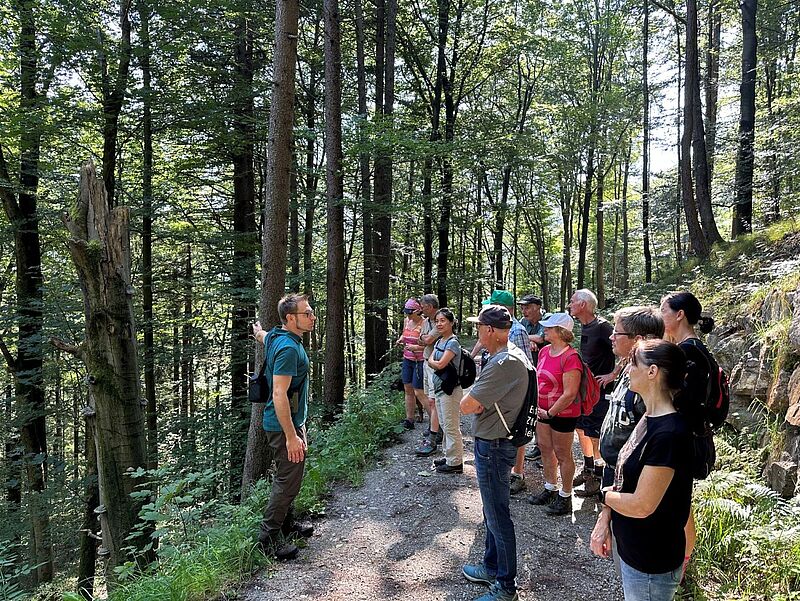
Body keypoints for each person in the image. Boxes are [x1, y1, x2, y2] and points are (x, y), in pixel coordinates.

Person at [592, 339, 693, 601]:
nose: (627, 370)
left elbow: (641, 505)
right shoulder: (648, 417)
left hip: (651, 562)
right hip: (634, 552)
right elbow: (624, 479)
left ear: (653, 372)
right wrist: (606, 519)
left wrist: (603, 497)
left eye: (633, 363)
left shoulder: (669, 434)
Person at [460, 305, 529, 601]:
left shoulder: (505, 362)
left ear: (489, 330)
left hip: (495, 445)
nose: (477, 333)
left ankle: (505, 586)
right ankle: (491, 567)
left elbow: (467, 404)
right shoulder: (508, 356)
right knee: (491, 511)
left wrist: (475, 395)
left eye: (479, 328)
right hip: (495, 442)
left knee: (498, 515)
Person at [591, 306, 664, 566]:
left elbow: (644, 453)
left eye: (617, 332)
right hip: (615, 475)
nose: (611, 337)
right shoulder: (627, 370)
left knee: (631, 558)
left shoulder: (650, 386)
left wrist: (608, 510)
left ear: (639, 340)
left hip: (631, 484)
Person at [253, 293, 316, 560]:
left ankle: (287, 524)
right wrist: (292, 436)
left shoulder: (278, 337)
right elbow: (279, 394)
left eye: (312, 312)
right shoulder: (289, 349)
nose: (312, 317)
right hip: (283, 426)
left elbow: (265, 336)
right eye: (307, 314)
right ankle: (267, 540)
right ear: (291, 318)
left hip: (286, 423)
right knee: (287, 481)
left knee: (290, 477)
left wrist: (258, 332)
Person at [659, 290, 717, 568]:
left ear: (679, 314)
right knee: (679, 503)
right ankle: (681, 562)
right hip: (688, 436)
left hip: (684, 440)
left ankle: (682, 565)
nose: (661, 315)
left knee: (681, 506)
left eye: (664, 309)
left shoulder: (688, 352)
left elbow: (687, 402)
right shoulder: (690, 348)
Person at [470, 290, 533, 495]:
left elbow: (525, 369)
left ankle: (518, 472)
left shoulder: (517, 332)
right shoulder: (497, 340)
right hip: (494, 394)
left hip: (505, 408)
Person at [527, 312, 581, 516]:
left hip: (563, 413)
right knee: (545, 448)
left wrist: (550, 412)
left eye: (549, 327)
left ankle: (566, 496)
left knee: (563, 454)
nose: (544, 329)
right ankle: (550, 487)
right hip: (543, 411)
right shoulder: (544, 351)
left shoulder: (571, 357)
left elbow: (570, 393)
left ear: (561, 331)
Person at [568, 288, 616, 497]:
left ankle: (598, 476)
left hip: (601, 391)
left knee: (595, 434)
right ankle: (588, 469)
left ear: (583, 305)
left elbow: (629, 349)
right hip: (585, 389)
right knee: (581, 430)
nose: (570, 305)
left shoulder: (604, 327)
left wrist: (612, 374)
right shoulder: (584, 327)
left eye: (572, 302)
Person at [426, 308, 465, 473]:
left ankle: (455, 463)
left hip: (451, 390)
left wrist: (433, 362)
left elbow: (439, 363)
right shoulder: (439, 341)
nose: (439, 324)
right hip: (440, 388)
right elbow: (431, 359)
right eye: (437, 321)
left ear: (451, 322)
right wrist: (434, 362)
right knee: (444, 423)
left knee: (451, 425)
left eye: (443, 320)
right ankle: (449, 456)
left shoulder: (453, 343)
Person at [517, 294, 545, 462]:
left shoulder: (547, 319)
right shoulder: (523, 322)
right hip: (530, 368)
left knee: (543, 408)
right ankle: (538, 446)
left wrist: (528, 338)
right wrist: (530, 341)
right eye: (522, 307)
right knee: (532, 406)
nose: (524, 310)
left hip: (547, 370)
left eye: (527, 307)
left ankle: (543, 448)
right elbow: (516, 338)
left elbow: (542, 338)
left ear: (537, 307)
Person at [416, 294, 443, 456]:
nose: (421, 309)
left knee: (435, 400)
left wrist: (425, 339)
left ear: (431, 306)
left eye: (424, 306)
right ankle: (435, 428)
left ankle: (438, 433)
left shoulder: (441, 320)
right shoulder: (426, 321)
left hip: (437, 365)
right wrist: (425, 339)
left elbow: (428, 339)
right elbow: (423, 338)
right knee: (430, 397)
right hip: (426, 361)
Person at [396, 298, 426, 430]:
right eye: (406, 312)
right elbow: (405, 335)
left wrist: (416, 348)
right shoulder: (407, 321)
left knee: (419, 391)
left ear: (418, 311)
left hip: (420, 360)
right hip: (407, 359)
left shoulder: (425, 324)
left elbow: (429, 346)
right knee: (408, 388)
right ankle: (409, 419)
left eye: (410, 312)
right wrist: (400, 340)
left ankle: (435, 423)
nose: (408, 315)